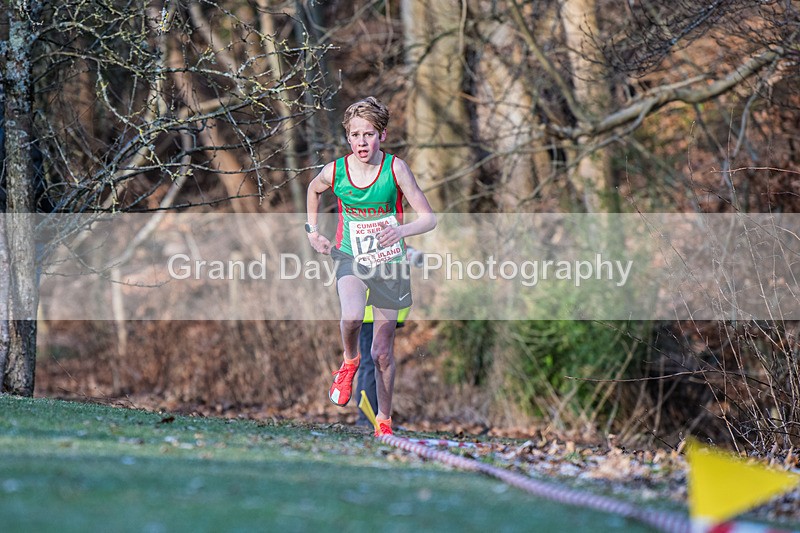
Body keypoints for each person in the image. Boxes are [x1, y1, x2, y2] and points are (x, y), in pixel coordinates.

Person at [306, 96, 436, 437]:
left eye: (369, 135)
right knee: (350, 317)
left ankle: (384, 421)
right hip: (350, 255)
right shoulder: (336, 170)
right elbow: (313, 189)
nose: (362, 142)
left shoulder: (395, 169)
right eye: (355, 135)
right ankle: (349, 361)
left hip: (389, 263)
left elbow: (428, 219)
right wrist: (312, 232)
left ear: (383, 135)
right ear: (347, 137)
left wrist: (400, 231)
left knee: (381, 353)